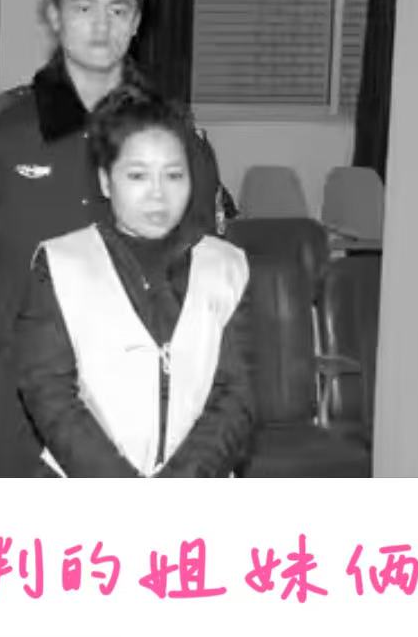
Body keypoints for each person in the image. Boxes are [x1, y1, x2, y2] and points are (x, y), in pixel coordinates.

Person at [0, 0, 237, 477]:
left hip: (147, 399)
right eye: (83, 7)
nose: (101, 25)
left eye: (119, 10)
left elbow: (204, 263)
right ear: (54, 15)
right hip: (20, 398)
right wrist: (18, 319)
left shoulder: (178, 140)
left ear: (137, 22)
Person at [15, 87, 254, 476]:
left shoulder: (226, 267)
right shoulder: (61, 264)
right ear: (105, 181)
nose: (158, 194)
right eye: (138, 175)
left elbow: (235, 397)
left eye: (173, 175)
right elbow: (49, 392)